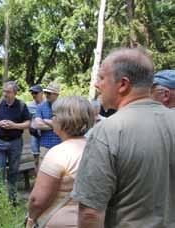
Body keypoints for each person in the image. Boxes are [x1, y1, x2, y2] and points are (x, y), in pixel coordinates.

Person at [71, 48, 175, 227]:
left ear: (123, 84)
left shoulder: (108, 131)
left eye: (102, 78)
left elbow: (90, 213)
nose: (97, 84)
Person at [26, 96, 94, 228]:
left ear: (64, 120)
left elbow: (37, 201)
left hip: (60, 222)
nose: (52, 120)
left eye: (54, 116)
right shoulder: (97, 149)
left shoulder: (58, 154)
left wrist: (30, 219)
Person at [0, 81, 31, 203]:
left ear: (15, 93)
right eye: (4, 91)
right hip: (0, 142)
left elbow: (28, 123)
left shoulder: (22, 106)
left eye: (8, 92)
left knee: (13, 171)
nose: (5, 94)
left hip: (15, 143)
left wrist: (14, 126)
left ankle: (12, 198)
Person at [35, 82, 61, 165]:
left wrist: (45, 120)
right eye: (46, 92)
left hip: (60, 145)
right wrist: (56, 125)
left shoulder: (64, 107)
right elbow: (38, 125)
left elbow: (64, 124)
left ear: (56, 94)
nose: (46, 95)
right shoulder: (41, 106)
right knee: (42, 170)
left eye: (49, 93)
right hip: (44, 145)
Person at [27, 85, 44, 171]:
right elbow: (27, 120)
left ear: (42, 93)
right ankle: (38, 180)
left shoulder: (47, 104)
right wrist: (30, 127)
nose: (34, 95)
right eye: (32, 93)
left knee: (45, 159)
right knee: (36, 160)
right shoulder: (29, 106)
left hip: (45, 135)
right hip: (34, 135)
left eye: (36, 93)